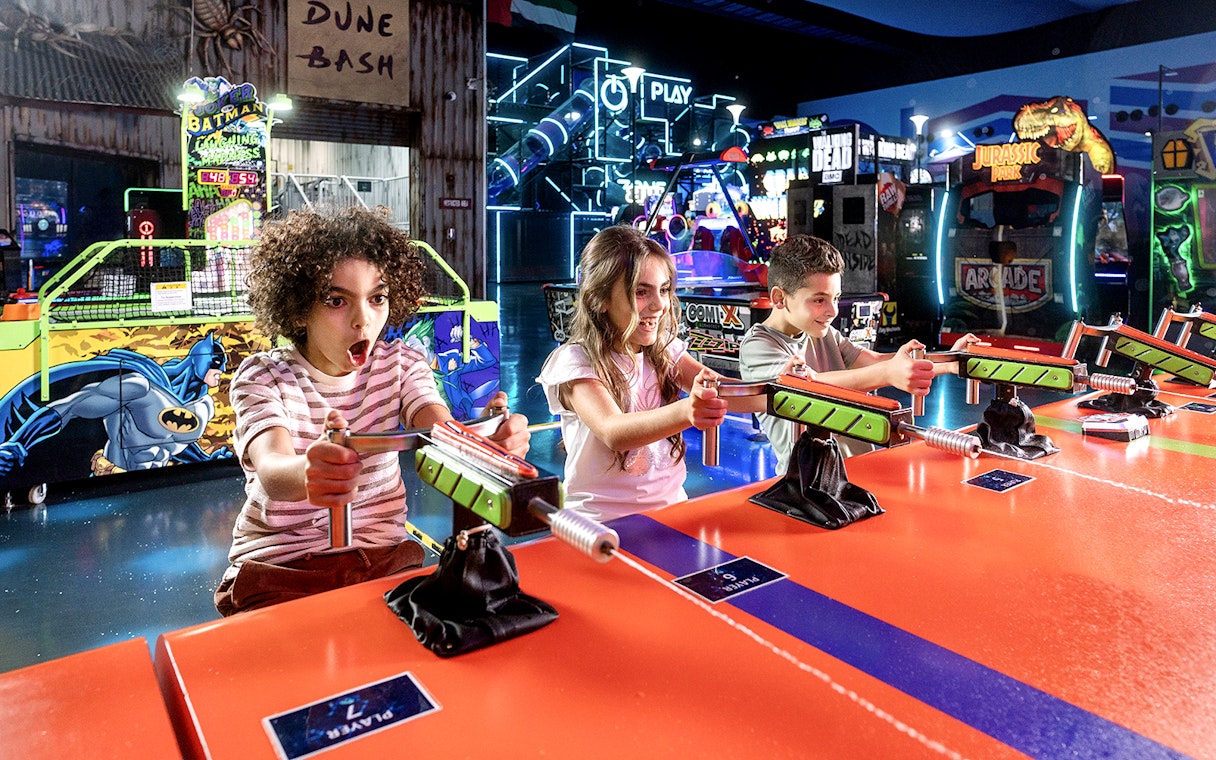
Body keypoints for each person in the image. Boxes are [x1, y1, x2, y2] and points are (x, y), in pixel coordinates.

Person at [214, 206, 530, 616]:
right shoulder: (264, 376)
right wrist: (309, 472)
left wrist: (489, 444)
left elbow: (439, 426)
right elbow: (273, 470)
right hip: (282, 566)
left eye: (377, 298)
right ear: (296, 309)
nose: (363, 320)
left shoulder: (400, 364)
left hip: (383, 558)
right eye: (336, 300)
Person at [537, 224, 762, 520]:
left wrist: (792, 388)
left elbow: (725, 390)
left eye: (665, 290)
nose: (659, 305)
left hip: (673, 511)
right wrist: (687, 411)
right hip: (601, 525)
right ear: (599, 299)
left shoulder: (665, 350)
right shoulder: (575, 361)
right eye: (641, 292)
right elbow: (613, 430)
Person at [739, 234, 978, 472]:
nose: (832, 311)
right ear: (780, 298)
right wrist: (887, 373)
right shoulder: (758, 346)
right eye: (819, 300)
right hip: (808, 483)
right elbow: (808, 387)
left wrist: (950, 360)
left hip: (859, 472)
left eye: (836, 298)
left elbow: (873, 362)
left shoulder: (824, 333)